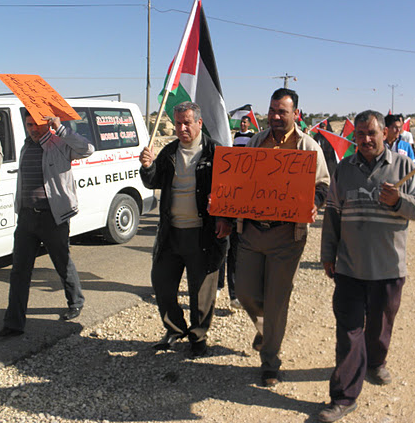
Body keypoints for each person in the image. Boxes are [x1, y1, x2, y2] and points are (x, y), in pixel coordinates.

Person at [318, 110, 415, 422]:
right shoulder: (344, 170)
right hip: (350, 269)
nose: (366, 140)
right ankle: (343, 397)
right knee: (349, 333)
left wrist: (398, 202)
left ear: (385, 134)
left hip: (389, 268)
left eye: (372, 133)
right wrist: (328, 253)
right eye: (360, 134)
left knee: (379, 329)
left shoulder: (405, 166)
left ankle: (376, 362)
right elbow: (332, 215)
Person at [236, 88, 329, 387]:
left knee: (277, 301)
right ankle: (266, 329)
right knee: (245, 293)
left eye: (282, 112)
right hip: (251, 231)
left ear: (295, 114)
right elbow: (238, 178)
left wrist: (314, 202)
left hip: (287, 236)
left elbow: (323, 184)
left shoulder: (308, 146)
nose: (275, 116)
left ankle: (270, 362)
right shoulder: (255, 141)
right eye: (272, 110)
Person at [139, 102, 231, 358]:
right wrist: (147, 167)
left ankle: (198, 338)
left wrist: (227, 219)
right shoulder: (169, 152)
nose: (181, 128)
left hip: (204, 235)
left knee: (201, 294)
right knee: (162, 284)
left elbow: (232, 192)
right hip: (171, 234)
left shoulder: (217, 153)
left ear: (199, 123)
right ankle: (175, 329)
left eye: (187, 122)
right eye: (178, 123)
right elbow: (153, 181)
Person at [0, 114, 94, 338]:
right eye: (29, 125)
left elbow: (87, 149)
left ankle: (75, 301)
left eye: (37, 124)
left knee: (62, 262)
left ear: (46, 123)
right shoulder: (25, 147)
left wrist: (62, 129)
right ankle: (14, 324)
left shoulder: (59, 144)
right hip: (27, 218)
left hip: (53, 217)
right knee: (19, 270)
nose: (33, 129)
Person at [218, 115, 255, 308]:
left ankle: (234, 294)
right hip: (227, 204)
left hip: (243, 210)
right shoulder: (232, 139)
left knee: (235, 253)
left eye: (245, 122)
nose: (243, 125)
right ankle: (217, 286)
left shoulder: (253, 138)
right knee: (222, 249)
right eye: (241, 122)